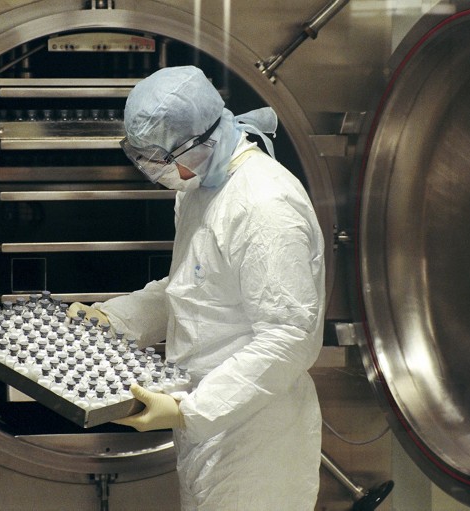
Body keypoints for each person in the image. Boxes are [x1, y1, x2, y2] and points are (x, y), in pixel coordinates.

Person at [70, 65, 325, 510]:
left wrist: (193, 410)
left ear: (200, 140)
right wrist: (116, 318)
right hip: (206, 423)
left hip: (256, 434)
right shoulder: (198, 185)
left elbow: (289, 338)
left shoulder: (265, 205)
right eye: (141, 156)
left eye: (160, 158)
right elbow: (194, 285)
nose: (153, 170)